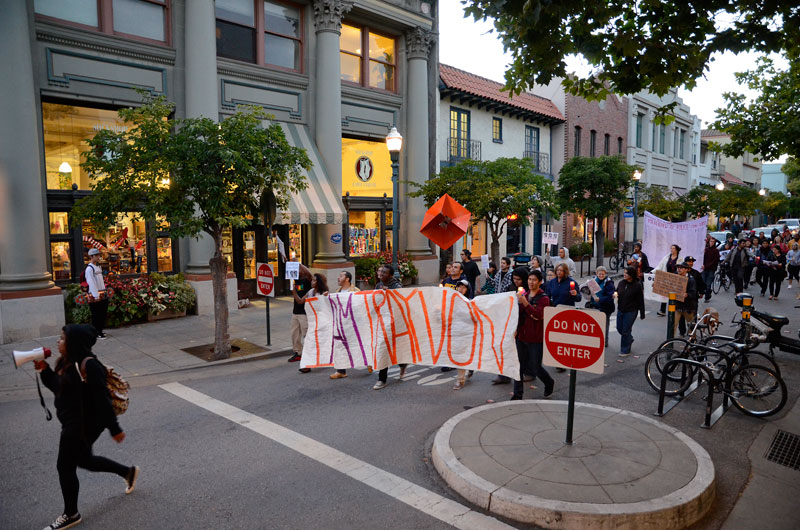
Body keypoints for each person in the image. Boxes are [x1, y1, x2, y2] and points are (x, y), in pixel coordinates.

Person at [34, 324, 138, 530]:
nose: (58, 341)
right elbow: (59, 388)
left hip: (81, 425)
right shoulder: (67, 362)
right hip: (73, 422)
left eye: (62, 338)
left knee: (65, 466)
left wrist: (114, 428)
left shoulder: (89, 366)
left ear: (74, 343)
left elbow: (103, 399)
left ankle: (71, 514)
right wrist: (46, 372)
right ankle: (128, 472)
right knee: (84, 460)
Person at [511, 270, 555, 400]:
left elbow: (538, 315)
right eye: (529, 279)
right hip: (522, 336)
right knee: (518, 366)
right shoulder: (524, 294)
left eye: (534, 280)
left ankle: (549, 382)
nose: (531, 282)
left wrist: (525, 302)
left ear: (540, 282)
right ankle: (517, 394)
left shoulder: (544, 298)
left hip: (535, 338)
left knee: (535, 367)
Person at [491, 267, 529, 385]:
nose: (516, 281)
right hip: (510, 322)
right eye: (514, 279)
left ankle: (527, 372)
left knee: (521, 352)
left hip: (523, 324)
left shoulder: (528, 290)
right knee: (506, 349)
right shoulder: (510, 288)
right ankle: (504, 375)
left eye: (519, 279)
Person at [373, 265, 406, 389]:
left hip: (394, 322)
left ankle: (401, 364)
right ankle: (383, 378)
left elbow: (402, 301)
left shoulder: (397, 286)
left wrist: (390, 294)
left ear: (391, 275)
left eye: (384, 272)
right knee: (383, 348)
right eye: (380, 271)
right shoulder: (378, 285)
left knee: (391, 347)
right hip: (382, 321)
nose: (380, 273)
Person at [330, 271, 361, 380]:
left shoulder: (356, 291)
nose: (338, 278)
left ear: (347, 279)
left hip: (352, 326)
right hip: (340, 326)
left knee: (356, 347)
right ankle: (341, 371)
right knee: (340, 347)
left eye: (341, 276)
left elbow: (361, 308)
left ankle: (368, 362)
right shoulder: (337, 292)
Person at [295, 273, 328, 373]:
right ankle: (307, 365)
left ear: (318, 282)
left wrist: (323, 298)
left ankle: (323, 360)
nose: (311, 282)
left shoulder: (324, 293)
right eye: (312, 280)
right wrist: (294, 292)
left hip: (321, 322)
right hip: (312, 322)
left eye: (314, 280)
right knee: (309, 343)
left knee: (319, 343)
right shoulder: (310, 292)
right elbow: (300, 301)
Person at [614, 266, 645, 357]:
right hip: (621, 309)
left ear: (631, 275)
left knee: (626, 330)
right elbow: (617, 291)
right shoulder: (621, 283)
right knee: (620, 328)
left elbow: (640, 300)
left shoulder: (637, 285)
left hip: (631, 311)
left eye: (626, 273)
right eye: (624, 272)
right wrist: (615, 294)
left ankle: (625, 350)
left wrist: (642, 313)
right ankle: (629, 339)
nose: (624, 274)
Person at [288, 261, 313, 364]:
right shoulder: (296, 280)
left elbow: (310, 275)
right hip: (296, 311)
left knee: (306, 333)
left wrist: (299, 264)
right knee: (294, 333)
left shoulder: (307, 281)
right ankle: (298, 352)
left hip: (304, 312)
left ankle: (310, 353)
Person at [453, 280, 476, 389]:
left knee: (464, 355)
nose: (461, 289)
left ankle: (462, 377)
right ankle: (463, 376)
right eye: (459, 287)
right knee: (458, 355)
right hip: (456, 333)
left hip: (468, 333)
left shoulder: (471, 302)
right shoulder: (452, 301)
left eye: (463, 287)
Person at [588, 266, 615, 348]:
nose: (601, 275)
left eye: (603, 274)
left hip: (605, 307)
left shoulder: (609, 283)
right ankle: (595, 341)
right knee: (594, 326)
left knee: (604, 326)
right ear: (596, 273)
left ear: (605, 274)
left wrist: (600, 299)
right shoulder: (593, 281)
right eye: (599, 274)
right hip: (594, 306)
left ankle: (604, 342)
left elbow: (610, 296)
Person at [84, 249, 109, 339]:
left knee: (102, 314)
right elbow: (91, 282)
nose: (99, 257)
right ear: (91, 257)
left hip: (102, 293)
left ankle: (100, 331)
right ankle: (96, 332)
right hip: (96, 295)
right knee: (96, 315)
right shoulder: (89, 269)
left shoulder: (98, 267)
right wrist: (96, 295)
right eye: (96, 255)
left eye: (99, 255)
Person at [655, 244, 681, 316]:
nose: (671, 250)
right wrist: (653, 271)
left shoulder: (679, 259)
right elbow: (660, 266)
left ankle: (675, 310)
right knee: (664, 294)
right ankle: (662, 310)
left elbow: (680, 269)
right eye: (671, 248)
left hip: (675, 278)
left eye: (673, 248)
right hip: (666, 278)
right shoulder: (666, 258)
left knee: (674, 295)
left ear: (676, 250)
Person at [674, 260, 698, 337]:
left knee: (691, 325)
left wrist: (687, 294)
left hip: (688, 307)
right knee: (673, 324)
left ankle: (693, 341)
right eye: (678, 267)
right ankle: (670, 342)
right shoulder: (675, 276)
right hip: (677, 306)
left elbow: (693, 293)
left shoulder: (691, 280)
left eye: (681, 268)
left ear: (686, 269)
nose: (679, 269)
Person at [701, 237, 720, 303]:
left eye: (713, 241)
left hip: (711, 269)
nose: (711, 243)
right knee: (703, 282)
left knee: (708, 284)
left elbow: (714, 261)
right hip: (704, 269)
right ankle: (708, 292)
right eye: (710, 241)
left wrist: (706, 266)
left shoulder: (716, 251)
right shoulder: (706, 250)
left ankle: (707, 297)